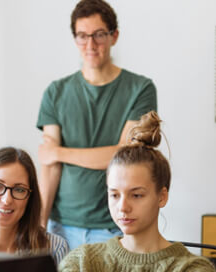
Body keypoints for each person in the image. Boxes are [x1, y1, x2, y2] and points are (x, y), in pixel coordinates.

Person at [58, 112, 216, 272]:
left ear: (162, 196)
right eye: (114, 194)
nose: (123, 207)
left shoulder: (193, 270)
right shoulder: (81, 260)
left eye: (137, 195)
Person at [36, 0, 157, 250]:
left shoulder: (140, 89)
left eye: (99, 35)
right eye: (82, 36)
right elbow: (50, 167)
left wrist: (59, 152)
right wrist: (39, 225)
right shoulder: (56, 92)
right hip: (60, 227)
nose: (90, 45)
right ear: (75, 39)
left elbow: (124, 155)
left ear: (114, 36)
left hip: (113, 225)